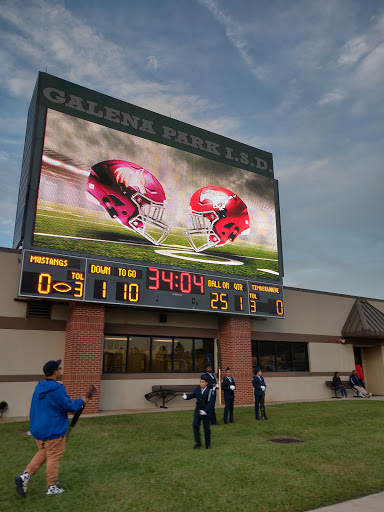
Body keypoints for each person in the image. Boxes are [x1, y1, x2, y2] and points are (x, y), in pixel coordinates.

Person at [15, 359, 94, 497]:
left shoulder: (39, 387)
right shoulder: (57, 388)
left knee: (44, 453)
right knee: (54, 456)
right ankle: (51, 486)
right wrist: (83, 400)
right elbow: (69, 407)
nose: (60, 371)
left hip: (38, 430)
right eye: (59, 369)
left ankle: (24, 477)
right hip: (53, 430)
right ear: (55, 372)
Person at [183, 377, 215, 449]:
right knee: (195, 425)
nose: (201, 383)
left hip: (205, 412)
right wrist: (186, 397)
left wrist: (205, 411)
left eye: (203, 382)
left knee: (206, 428)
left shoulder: (210, 391)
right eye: (200, 382)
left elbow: (211, 403)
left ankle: (208, 445)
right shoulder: (197, 390)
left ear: (206, 383)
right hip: (198, 410)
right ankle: (198, 442)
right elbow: (192, 395)